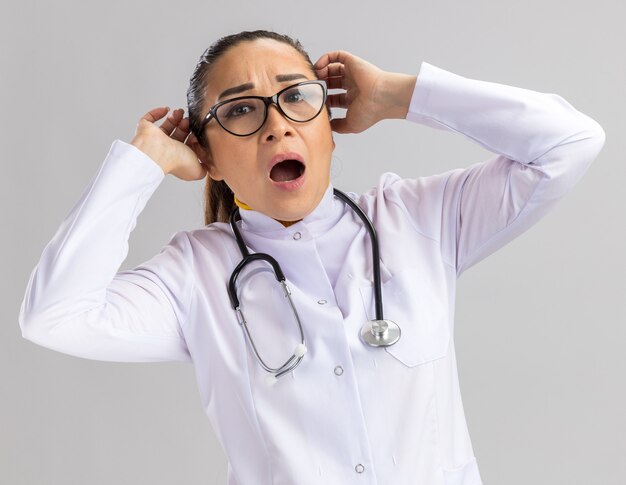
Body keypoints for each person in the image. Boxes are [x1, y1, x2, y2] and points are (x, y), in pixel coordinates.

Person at [18, 29, 605, 485]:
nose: (276, 125)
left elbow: (570, 143)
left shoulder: (421, 219)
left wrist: (398, 96)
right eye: (241, 110)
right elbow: (54, 315)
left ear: (329, 125)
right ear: (207, 154)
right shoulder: (192, 277)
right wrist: (143, 162)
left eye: (296, 97)